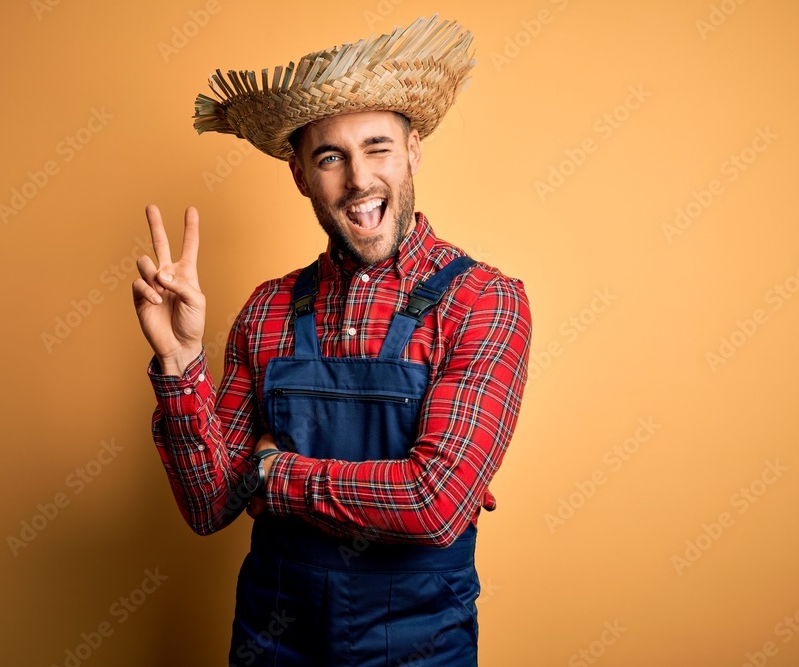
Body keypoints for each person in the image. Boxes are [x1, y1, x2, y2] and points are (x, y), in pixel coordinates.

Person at [132, 15, 532, 666]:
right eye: (329, 157)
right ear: (299, 174)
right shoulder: (267, 310)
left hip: (418, 647)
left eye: (377, 147)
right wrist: (180, 362)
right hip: (274, 638)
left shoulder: (483, 302)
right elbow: (208, 505)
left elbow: (433, 503)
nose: (358, 179)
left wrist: (273, 471)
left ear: (413, 152)